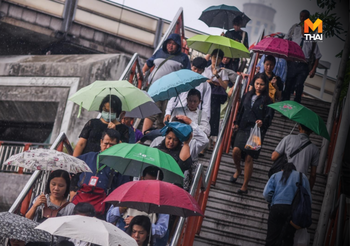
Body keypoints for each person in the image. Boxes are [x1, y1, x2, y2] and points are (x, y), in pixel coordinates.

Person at [230, 73, 274, 194]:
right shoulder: (247, 95)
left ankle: (245, 186)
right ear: (253, 83)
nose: (259, 86)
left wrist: (262, 122)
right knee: (235, 151)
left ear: (266, 85)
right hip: (243, 127)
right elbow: (240, 110)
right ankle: (238, 170)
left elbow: (269, 117)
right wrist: (236, 123)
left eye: (262, 84)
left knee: (249, 157)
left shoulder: (268, 100)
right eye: (257, 83)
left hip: (256, 131)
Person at [72, 129, 131, 216]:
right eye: (106, 143)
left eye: (112, 145)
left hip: (104, 209)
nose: (108, 147)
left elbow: (123, 190)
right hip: (81, 207)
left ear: (118, 145)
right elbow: (72, 174)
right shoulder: (87, 157)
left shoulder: (120, 165)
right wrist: (72, 189)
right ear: (101, 142)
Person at [107, 166, 169, 246]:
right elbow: (109, 218)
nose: (150, 186)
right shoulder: (127, 192)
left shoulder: (162, 202)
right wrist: (121, 208)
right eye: (147, 182)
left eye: (154, 184)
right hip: (121, 239)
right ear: (141, 178)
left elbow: (161, 231)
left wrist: (140, 223)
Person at [142, 33, 191, 133]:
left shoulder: (183, 57)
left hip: (171, 91)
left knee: (164, 115)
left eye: (174, 43)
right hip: (156, 88)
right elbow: (148, 64)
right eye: (169, 43)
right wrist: (142, 73)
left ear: (178, 45)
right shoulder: (159, 52)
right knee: (152, 112)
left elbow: (187, 74)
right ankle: (143, 135)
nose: (171, 45)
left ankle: (159, 139)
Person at [263, 162, 312, 246]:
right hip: (292, 211)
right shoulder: (302, 177)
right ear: (294, 170)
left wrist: (272, 201)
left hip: (276, 208)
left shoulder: (275, 175)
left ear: (282, 169)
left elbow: (266, 194)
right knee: (288, 238)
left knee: (271, 237)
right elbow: (308, 199)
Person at [282, 9, 322, 103]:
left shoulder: (312, 41)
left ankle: (297, 102)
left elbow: (318, 56)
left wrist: (313, 69)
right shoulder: (294, 34)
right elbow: (286, 41)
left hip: (303, 65)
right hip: (292, 63)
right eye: (303, 28)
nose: (304, 30)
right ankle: (284, 104)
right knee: (288, 84)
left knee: (299, 85)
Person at [271, 124, 319, 190]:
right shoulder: (315, 149)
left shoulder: (288, 138)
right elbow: (313, 174)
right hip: (299, 183)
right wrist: (308, 191)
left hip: (283, 177)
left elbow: (274, 157)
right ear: (311, 131)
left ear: (299, 127)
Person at [164, 57, 211, 122]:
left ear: (203, 70)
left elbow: (206, 105)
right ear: (191, 66)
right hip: (179, 112)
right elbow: (174, 97)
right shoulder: (182, 80)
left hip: (194, 116)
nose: (196, 71)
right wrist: (168, 112)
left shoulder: (206, 86)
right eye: (195, 68)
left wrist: (205, 121)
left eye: (199, 70)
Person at [202, 49, 229, 149]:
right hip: (205, 96)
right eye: (214, 57)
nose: (215, 60)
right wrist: (211, 81)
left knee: (213, 119)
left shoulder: (223, 71)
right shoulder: (206, 69)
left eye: (218, 58)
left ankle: (209, 141)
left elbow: (225, 86)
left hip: (215, 99)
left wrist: (217, 76)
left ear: (221, 59)